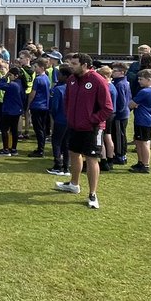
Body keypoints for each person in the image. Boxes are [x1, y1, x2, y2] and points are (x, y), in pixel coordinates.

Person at [54, 53, 114, 210]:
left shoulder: (98, 81)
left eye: (74, 63)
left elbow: (108, 108)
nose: (71, 66)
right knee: (74, 154)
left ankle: (93, 194)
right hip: (74, 126)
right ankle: (74, 184)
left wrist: (92, 119)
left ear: (85, 65)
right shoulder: (72, 80)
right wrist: (70, 116)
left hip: (92, 129)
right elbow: (67, 100)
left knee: (92, 158)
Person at [128, 69, 151, 173]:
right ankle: (140, 162)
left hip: (144, 120)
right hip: (145, 119)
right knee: (139, 142)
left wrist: (134, 104)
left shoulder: (145, 91)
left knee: (144, 142)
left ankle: (145, 165)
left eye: (141, 79)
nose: (139, 81)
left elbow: (131, 104)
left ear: (149, 79)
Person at [46, 65, 72, 177]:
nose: (58, 77)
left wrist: (54, 116)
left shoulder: (58, 89)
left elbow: (54, 107)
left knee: (56, 142)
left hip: (60, 119)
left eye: (60, 75)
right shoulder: (73, 88)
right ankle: (66, 167)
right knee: (66, 144)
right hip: (70, 120)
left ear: (65, 76)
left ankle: (58, 165)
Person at [0, 65, 25, 157]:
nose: (9, 76)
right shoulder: (20, 84)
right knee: (14, 130)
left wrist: (5, 77)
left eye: (11, 75)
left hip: (8, 110)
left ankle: (5, 149)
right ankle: (14, 149)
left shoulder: (12, 85)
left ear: (16, 76)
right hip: (17, 110)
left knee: (5, 130)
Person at [108, 62, 131, 166]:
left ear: (122, 72)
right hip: (122, 113)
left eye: (115, 70)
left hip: (120, 115)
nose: (112, 72)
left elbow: (121, 102)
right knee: (120, 135)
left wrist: (117, 112)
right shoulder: (122, 82)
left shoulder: (120, 84)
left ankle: (120, 155)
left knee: (119, 136)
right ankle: (120, 154)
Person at [27, 58, 51, 158]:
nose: (34, 68)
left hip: (37, 105)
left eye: (36, 67)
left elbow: (33, 93)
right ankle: (41, 147)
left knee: (38, 129)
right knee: (42, 128)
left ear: (41, 68)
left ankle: (40, 149)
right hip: (45, 105)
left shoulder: (38, 79)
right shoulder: (46, 78)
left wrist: (28, 104)